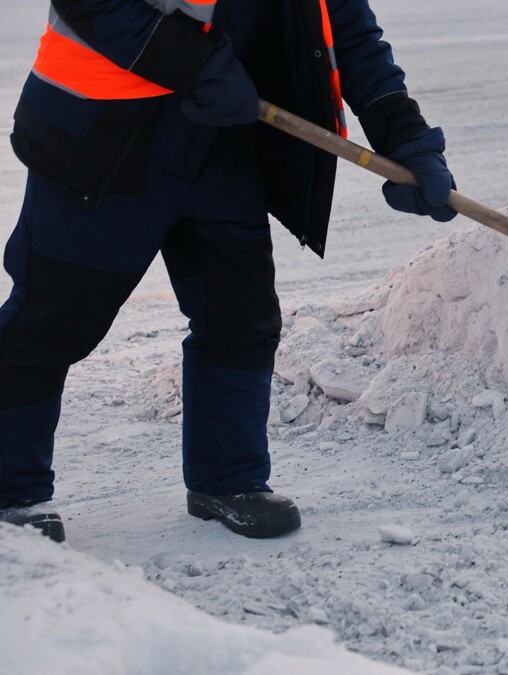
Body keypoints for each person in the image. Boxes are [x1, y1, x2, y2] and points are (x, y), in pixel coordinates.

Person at [0, 0, 456, 542]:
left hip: (222, 138)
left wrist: (405, 136)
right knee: (52, 318)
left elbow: (348, 30)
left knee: (239, 314)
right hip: (103, 132)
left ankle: (229, 480)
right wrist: (194, 64)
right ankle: (11, 490)